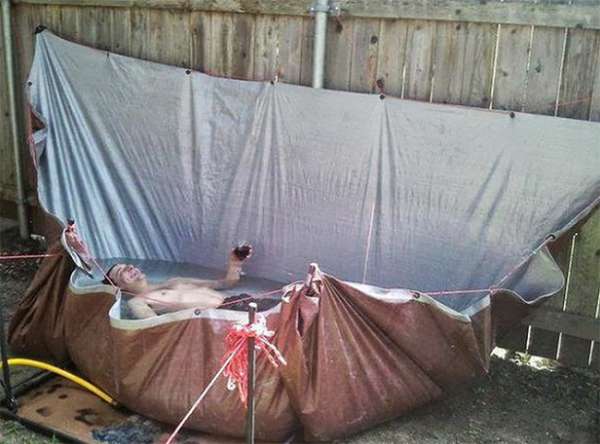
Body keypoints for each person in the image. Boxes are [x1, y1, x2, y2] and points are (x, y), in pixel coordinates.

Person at [104, 244, 253, 319]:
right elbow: (155, 326)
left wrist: (235, 263)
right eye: (120, 272)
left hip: (241, 302)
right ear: (118, 288)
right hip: (224, 318)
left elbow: (225, 284)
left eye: (127, 265)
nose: (129, 267)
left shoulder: (175, 281)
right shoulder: (137, 302)